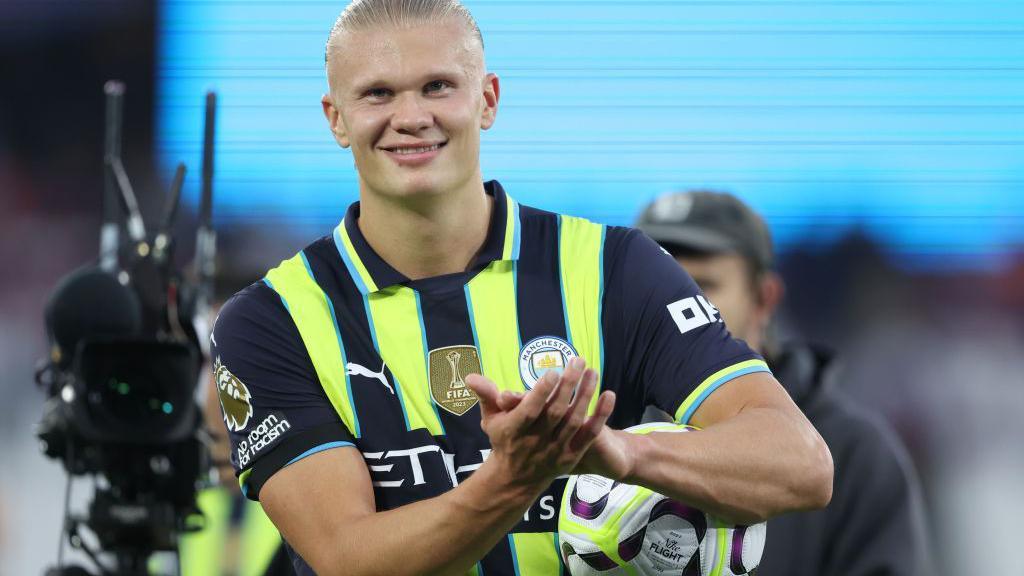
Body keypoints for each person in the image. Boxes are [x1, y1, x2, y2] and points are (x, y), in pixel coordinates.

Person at [210, 2, 833, 574]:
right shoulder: (271, 321)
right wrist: (513, 479)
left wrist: (619, 454)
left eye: (438, 86)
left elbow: (802, 465)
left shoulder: (613, 268)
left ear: (488, 100)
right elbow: (347, 558)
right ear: (336, 119)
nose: (411, 117)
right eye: (377, 93)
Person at [636, 190, 932, 576]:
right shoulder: (595, 433)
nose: (675, 308)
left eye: (701, 287)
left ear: (764, 299)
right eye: (658, 285)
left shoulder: (852, 454)